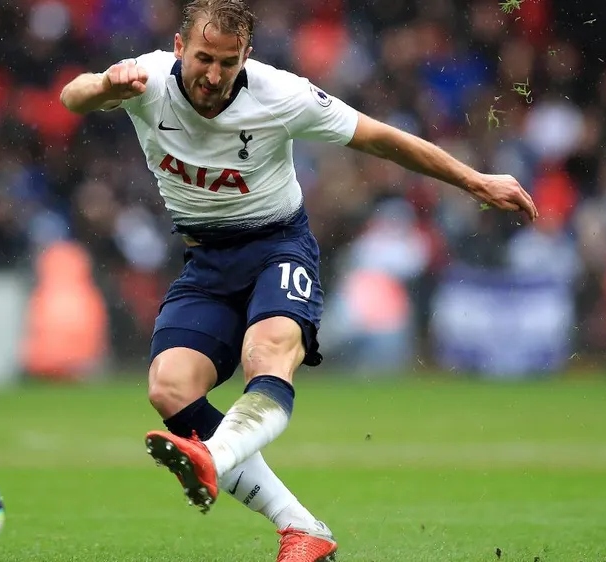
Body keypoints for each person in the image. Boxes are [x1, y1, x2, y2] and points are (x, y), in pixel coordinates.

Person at [59, 0, 537, 560]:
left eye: (229, 62)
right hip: (206, 260)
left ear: (247, 57)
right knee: (169, 387)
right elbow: (73, 96)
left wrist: (473, 179)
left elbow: (381, 138)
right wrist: (106, 85)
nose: (214, 75)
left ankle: (214, 457)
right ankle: (301, 527)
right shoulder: (147, 80)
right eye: (204, 59)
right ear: (179, 48)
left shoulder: (281, 94)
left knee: (268, 352)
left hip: (277, 246)